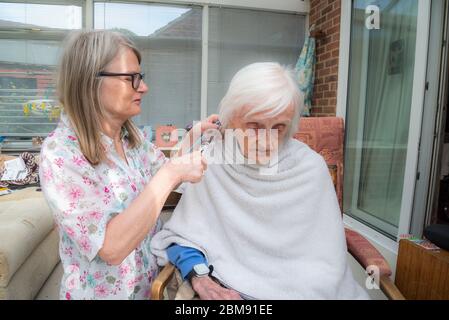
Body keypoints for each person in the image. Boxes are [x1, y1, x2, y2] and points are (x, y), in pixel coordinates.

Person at [151, 62, 369, 300]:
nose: (265, 141)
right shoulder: (211, 161)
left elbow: (326, 263)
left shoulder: (310, 168)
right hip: (229, 286)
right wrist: (201, 279)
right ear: (230, 119)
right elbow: (185, 236)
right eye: (254, 126)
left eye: (278, 127)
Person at [39, 30, 218, 300]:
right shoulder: (60, 154)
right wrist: (172, 172)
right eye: (131, 78)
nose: (143, 87)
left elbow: (164, 173)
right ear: (90, 81)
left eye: (141, 77)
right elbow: (111, 247)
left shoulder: (131, 139)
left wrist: (194, 137)